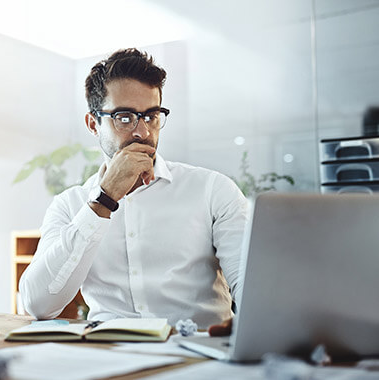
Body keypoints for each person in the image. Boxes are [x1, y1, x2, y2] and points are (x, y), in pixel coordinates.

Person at [19, 48, 248, 330]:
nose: (142, 132)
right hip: (109, 356)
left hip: (194, 353)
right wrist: (104, 199)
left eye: (151, 116)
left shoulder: (212, 190)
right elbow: (39, 304)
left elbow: (252, 289)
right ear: (93, 124)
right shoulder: (69, 205)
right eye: (124, 118)